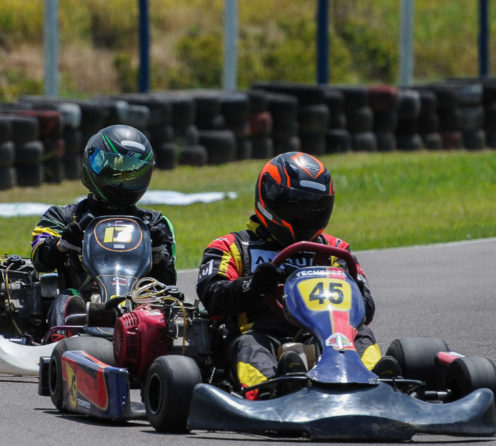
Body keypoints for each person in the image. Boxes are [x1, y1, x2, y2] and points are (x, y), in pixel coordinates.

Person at [196, 151, 397, 399]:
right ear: (270, 200)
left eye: (316, 209)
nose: (307, 218)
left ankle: (377, 383)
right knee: (251, 345)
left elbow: (365, 308)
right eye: (298, 210)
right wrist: (253, 284)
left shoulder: (336, 250)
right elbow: (212, 298)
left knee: (361, 335)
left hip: (328, 336)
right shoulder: (232, 246)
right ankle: (271, 392)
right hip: (263, 333)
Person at [31, 124, 177, 330]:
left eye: (132, 172)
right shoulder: (64, 216)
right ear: (93, 163)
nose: (124, 179)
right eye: (115, 169)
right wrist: (61, 246)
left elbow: (167, 284)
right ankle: (62, 340)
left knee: (162, 305)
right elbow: (39, 260)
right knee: (67, 300)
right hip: (80, 305)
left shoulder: (155, 224)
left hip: (136, 305)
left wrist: (159, 255)